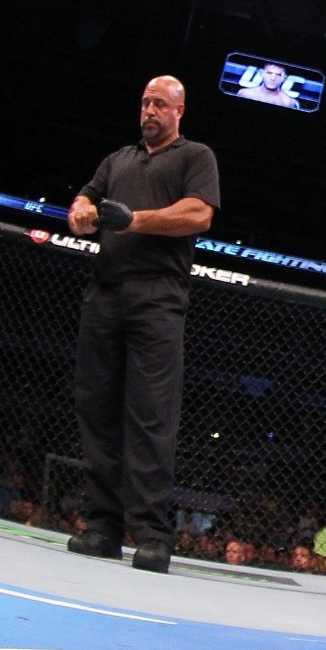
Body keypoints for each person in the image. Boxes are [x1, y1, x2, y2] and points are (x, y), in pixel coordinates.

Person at [65, 76, 220, 574]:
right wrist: (85, 214)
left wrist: (132, 220)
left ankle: (152, 534)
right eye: (145, 102)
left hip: (158, 300)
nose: (149, 110)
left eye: (160, 104)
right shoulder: (117, 160)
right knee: (98, 410)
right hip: (105, 295)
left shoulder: (195, 157)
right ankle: (103, 526)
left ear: (179, 110)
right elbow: (82, 205)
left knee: (151, 416)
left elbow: (198, 215)